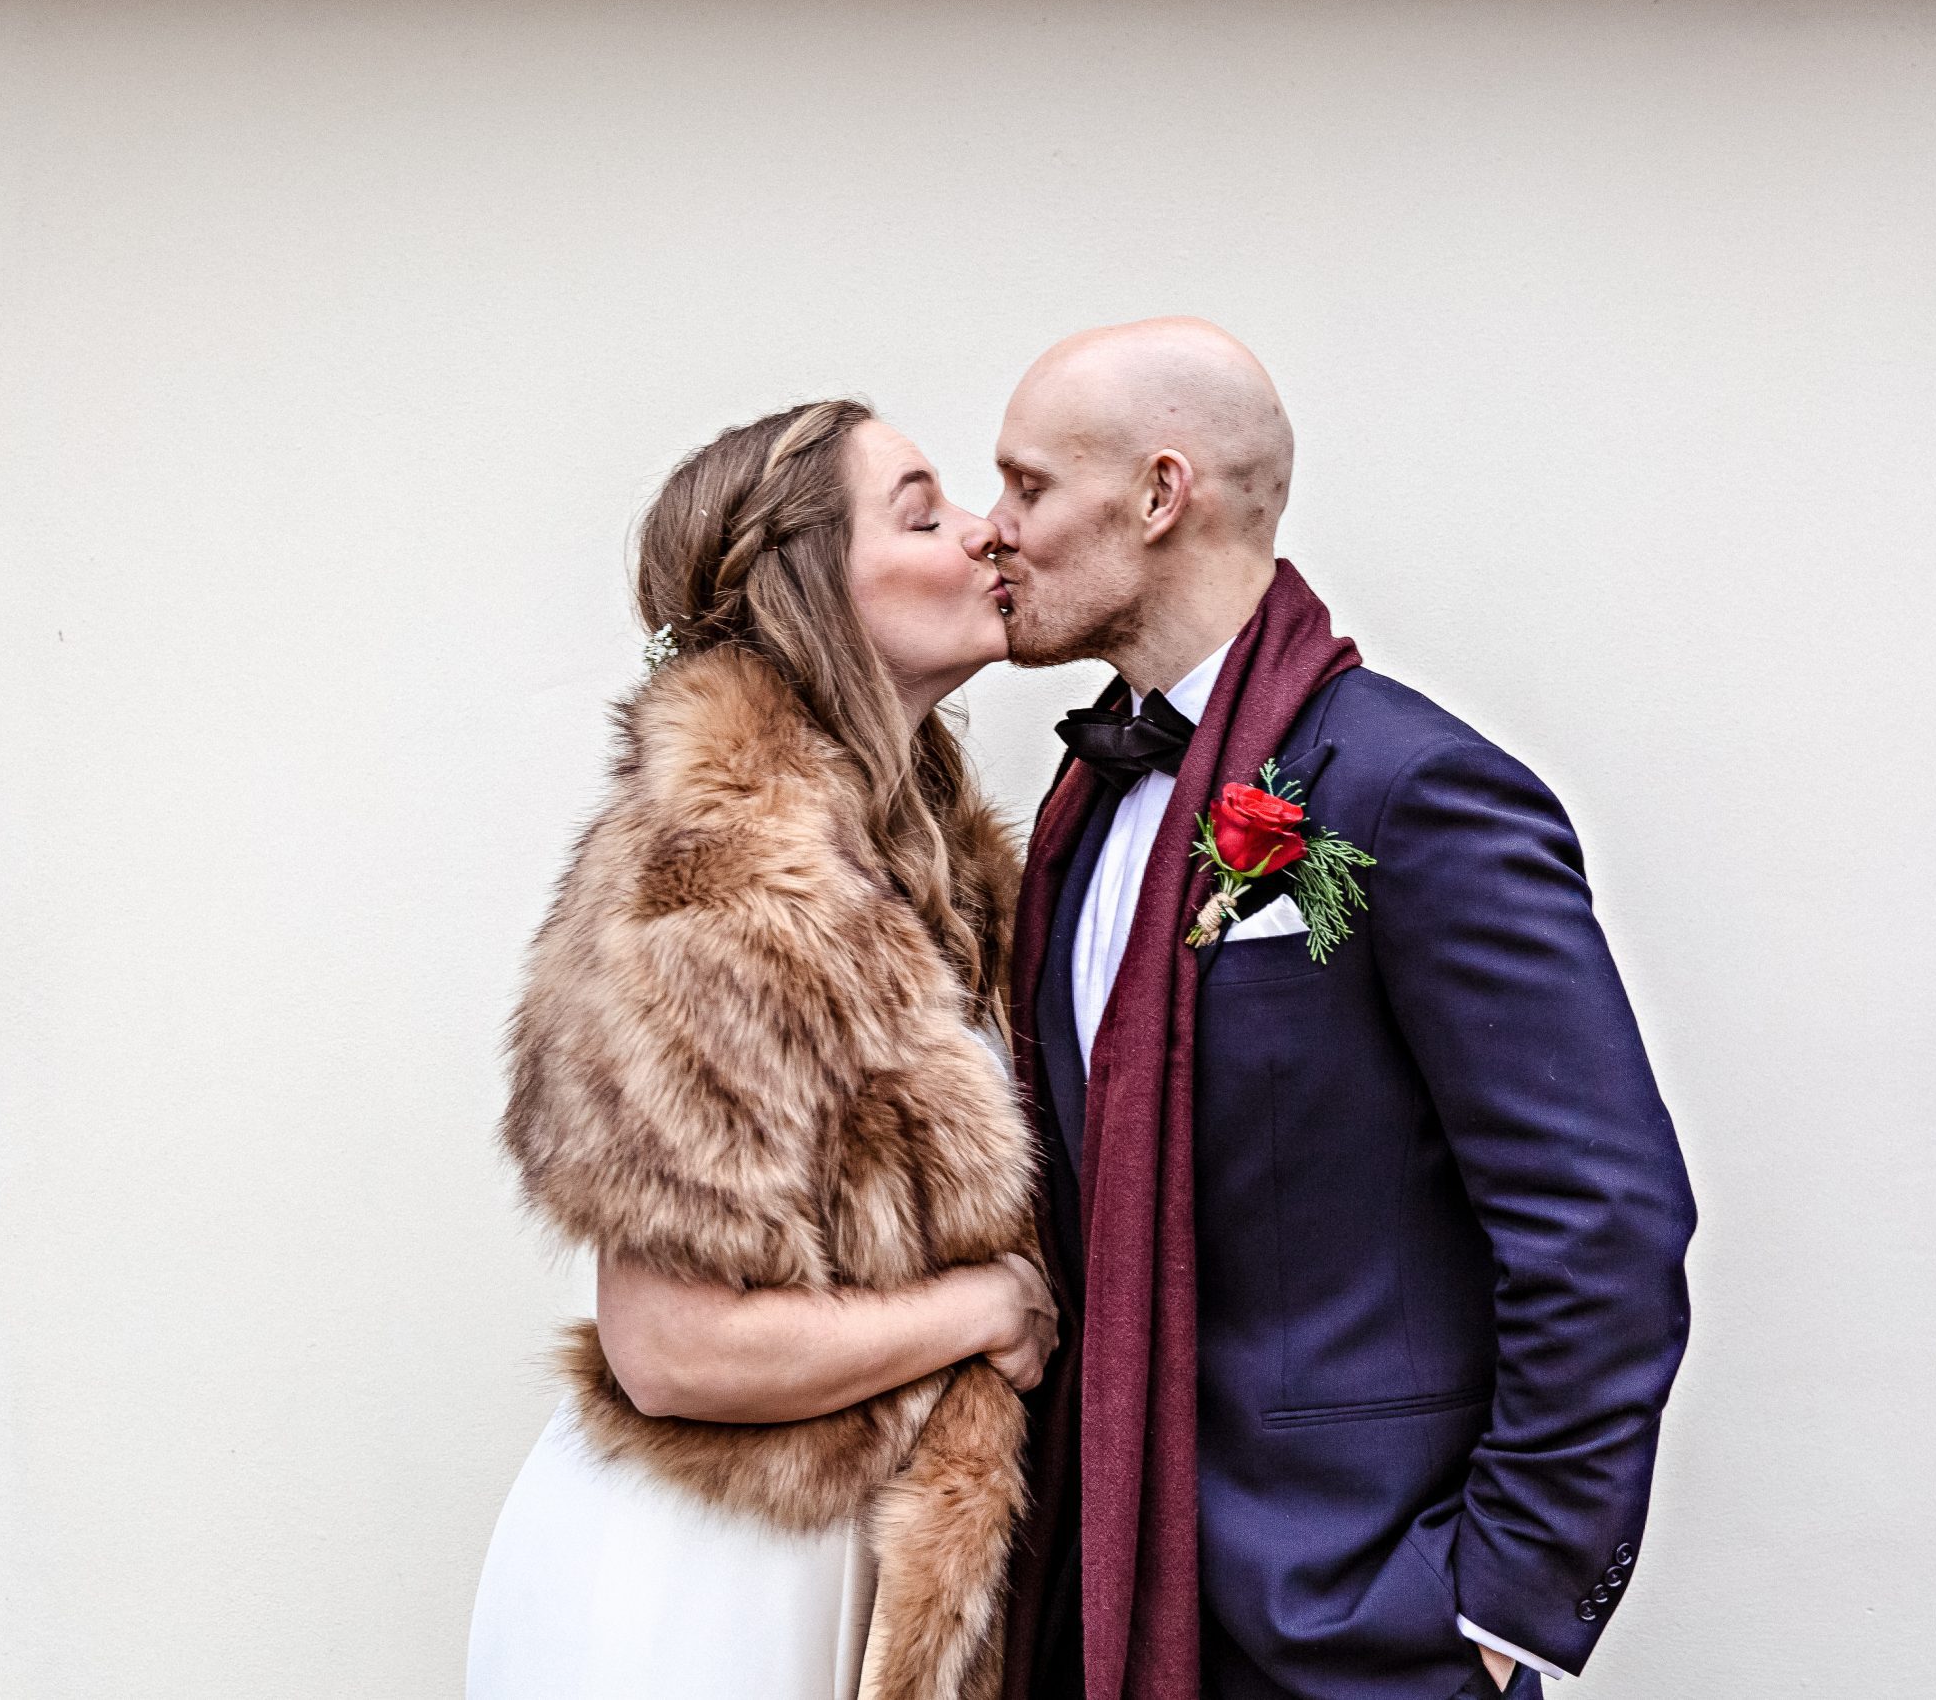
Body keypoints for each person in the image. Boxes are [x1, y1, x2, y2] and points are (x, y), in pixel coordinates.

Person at [987, 320, 1697, 1700]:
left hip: (1356, 1620)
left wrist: (1498, 1603)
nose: (989, 532)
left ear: (1158, 494)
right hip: (1109, 1593)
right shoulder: (1083, 808)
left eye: (1026, 488)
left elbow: (1603, 1218)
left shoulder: (1413, 791)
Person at [468, 400, 1057, 1700]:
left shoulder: (933, 872)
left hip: (867, 1559)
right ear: (810, 591)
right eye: (924, 512)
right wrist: (987, 1308)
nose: (985, 534)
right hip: (716, 1584)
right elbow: (671, 1349)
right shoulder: (715, 887)